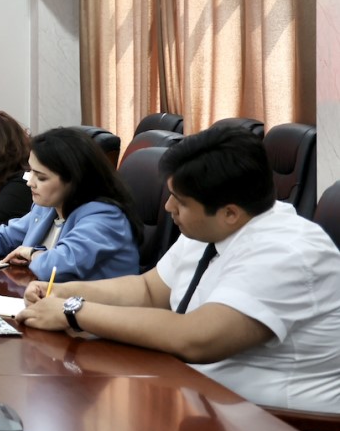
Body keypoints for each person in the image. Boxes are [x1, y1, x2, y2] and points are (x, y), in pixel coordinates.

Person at [17, 125, 340, 413]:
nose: (168, 207)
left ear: (229, 213)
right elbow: (148, 290)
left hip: (281, 427)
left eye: (180, 201)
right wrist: (64, 291)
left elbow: (196, 338)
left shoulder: (287, 251)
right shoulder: (215, 226)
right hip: (202, 402)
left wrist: (73, 311)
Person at [0, 126, 141, 281]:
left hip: (93, 314)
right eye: (31, 172)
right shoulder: (48, 207)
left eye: (41, 177)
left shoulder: (104, 218)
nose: (30, 182)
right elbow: (8, 235)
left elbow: (59, 265)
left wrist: (31, 253)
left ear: (74, 179)